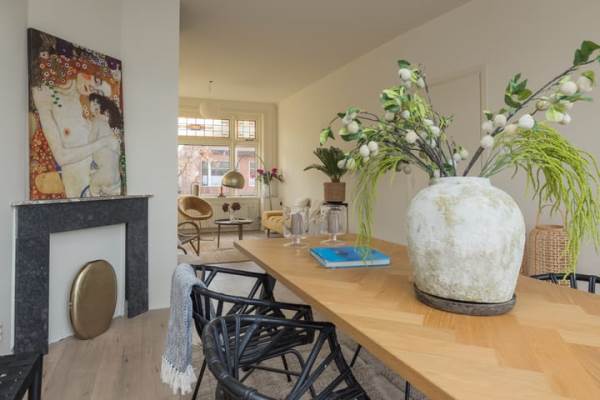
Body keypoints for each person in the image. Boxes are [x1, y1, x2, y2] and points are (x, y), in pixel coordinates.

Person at [32, 72, 120, 197]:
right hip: (79, 189)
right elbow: (61, 157)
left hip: (101, 185)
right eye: (97, 81)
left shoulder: (89, 109)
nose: (92, 88)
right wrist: (103, 142)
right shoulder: (44, 92)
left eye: (98, 92)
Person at [88, 93, 123, 196]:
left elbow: (90, 141)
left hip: (104, 173)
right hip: (116, 178)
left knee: (93, 192)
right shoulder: (111, 127)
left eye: (97, 103)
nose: (95, 106)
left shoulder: (97, 121)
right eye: (92, 104)